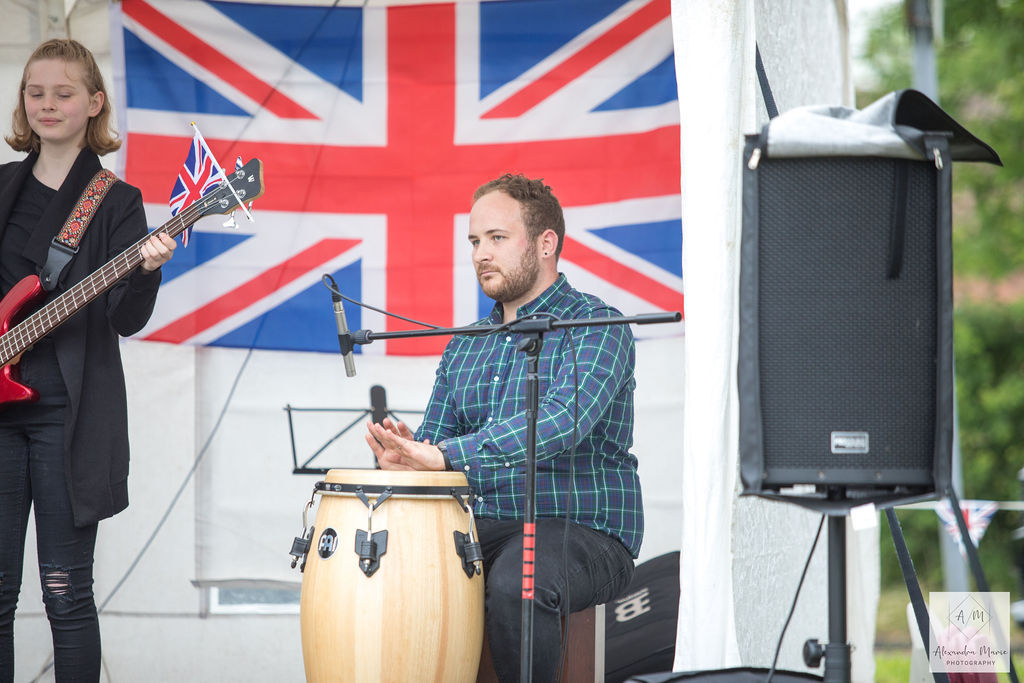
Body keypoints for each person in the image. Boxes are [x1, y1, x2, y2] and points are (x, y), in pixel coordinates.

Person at [366, 173, 642, 682]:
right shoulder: (465, 345)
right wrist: (408, 460)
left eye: (496, 238)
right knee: (384, 569)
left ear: (545, 243)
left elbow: (562, 423)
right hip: (484, 526)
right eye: (474, 241)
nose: (480, 254)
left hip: (584, 529)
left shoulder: (598, 326)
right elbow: (438, 445)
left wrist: (447, 456)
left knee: (522, 580)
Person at [0, 39, 176, 681]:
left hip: (67, 415)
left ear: (94, 102)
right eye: (35, 92)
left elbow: (126, 319)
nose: (47, 104)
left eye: (64, 92)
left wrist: (148, 271)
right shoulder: (2, 185)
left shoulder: (116, 200)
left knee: (65, 592)